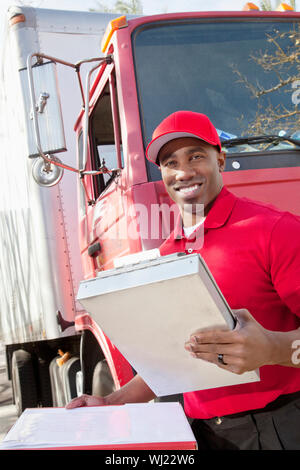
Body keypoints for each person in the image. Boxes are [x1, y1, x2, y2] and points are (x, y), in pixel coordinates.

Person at [67, 111, 300, 450]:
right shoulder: (165, 257)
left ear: (220, 158)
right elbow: (172, 357)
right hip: (200, 432)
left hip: (280, 426)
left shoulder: (276, 231)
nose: (184, 172)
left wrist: (272, 349)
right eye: (170, 162)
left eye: (196, 156)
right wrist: (112, 402)